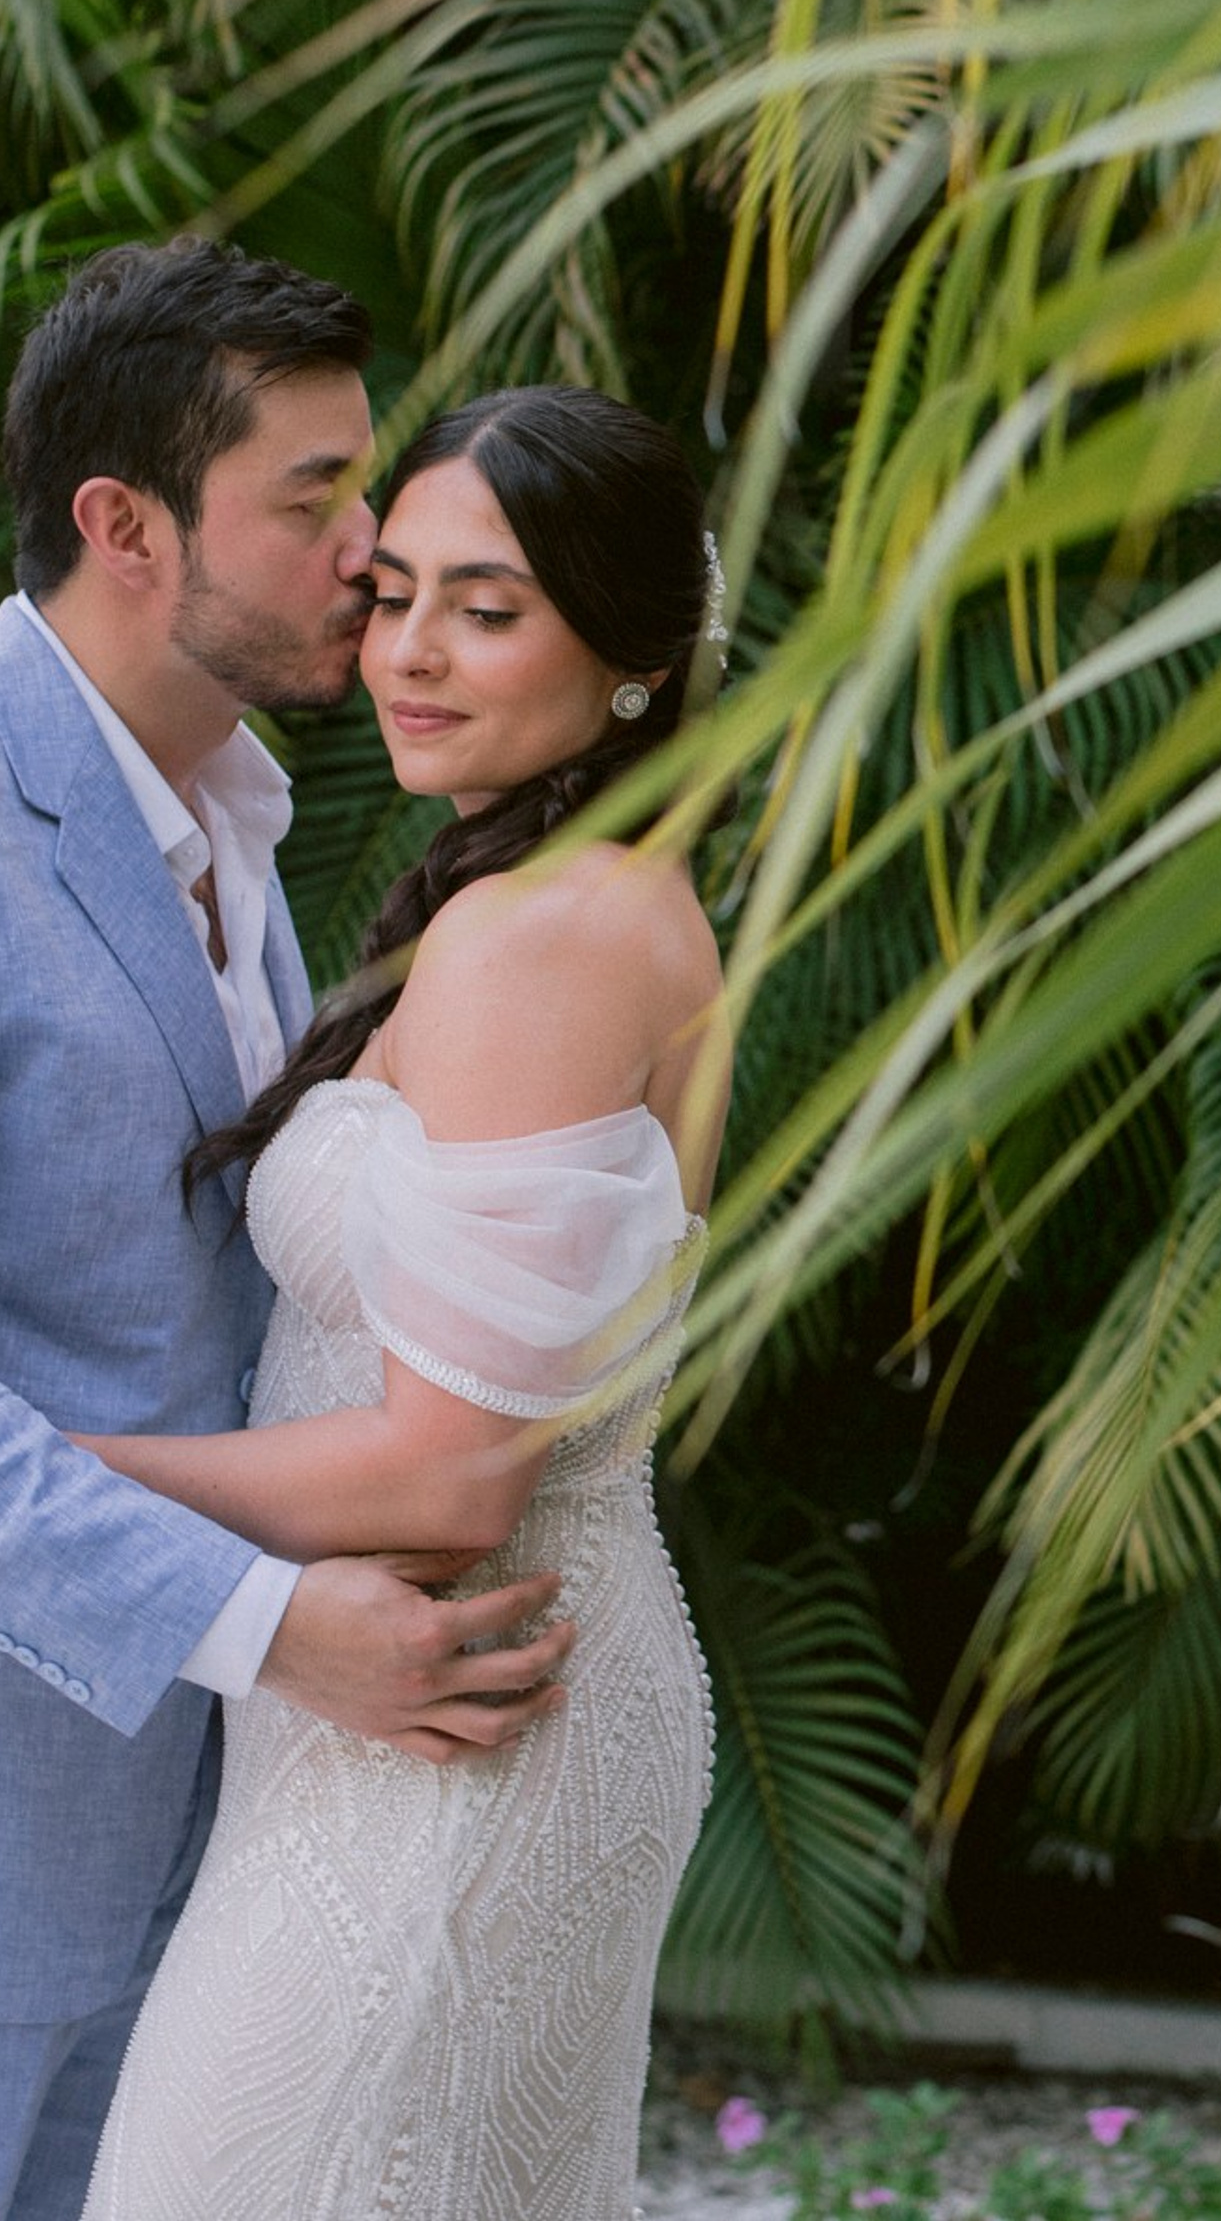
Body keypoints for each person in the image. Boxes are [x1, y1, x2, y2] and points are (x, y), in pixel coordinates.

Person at [68, 382, 731, 2221]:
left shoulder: (551, 936)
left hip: (457, 1719)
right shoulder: (565, 901)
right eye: (395, 593)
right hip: (431, 1712)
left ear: (633, 658)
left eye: (487, 608)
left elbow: (449, 1478)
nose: (410, 654)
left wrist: (57, 1473)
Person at [0, 246, 577, 2221]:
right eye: (315, 496)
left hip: (203, 1833)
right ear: (125, 528)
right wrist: (260, 1621)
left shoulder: (235, 818)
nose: (373, 551)